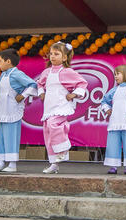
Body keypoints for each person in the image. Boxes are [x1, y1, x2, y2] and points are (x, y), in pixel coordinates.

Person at [34, 42, 87, 174]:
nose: (52, 56)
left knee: (53, 124)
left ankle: (63, 149)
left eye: (56, 54)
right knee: (48, 132)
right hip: (49, 106)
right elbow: (39, 84)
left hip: (61, 106)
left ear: (64, 57)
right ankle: (54, 164)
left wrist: (74, 94)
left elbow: (82, 83)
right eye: (51, 54)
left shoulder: (67, 71)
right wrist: (41, 93)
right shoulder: (46, 72)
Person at [0, 48, 37, 173]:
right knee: (1, 137)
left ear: (8, 61)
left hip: (12, 110)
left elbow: (33, 84)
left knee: (11, 136)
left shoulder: (17, 74)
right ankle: (0, 162)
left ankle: (12, 164)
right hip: (1, 109)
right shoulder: (3, 74)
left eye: (0, 61)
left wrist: (22, 95)